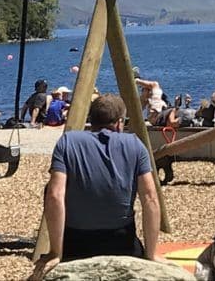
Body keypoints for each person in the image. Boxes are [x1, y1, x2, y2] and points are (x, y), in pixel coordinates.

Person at [29, 94, 169, 280]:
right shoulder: (135, 145)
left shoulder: (68, 142)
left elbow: (55, 196)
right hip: (121, 241)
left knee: (50, 187)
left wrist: (56, 252)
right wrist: (151, 253)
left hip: (76, 241)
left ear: (91, 119)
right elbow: (150, 198)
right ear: (120, 123)